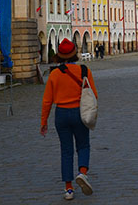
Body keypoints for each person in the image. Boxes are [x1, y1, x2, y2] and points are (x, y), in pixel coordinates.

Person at [41, 38, 99, 200]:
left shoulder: (54, 74)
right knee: (83, 145)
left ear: (59, 55)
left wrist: (43, 121)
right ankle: (82, 173)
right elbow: (93, 95)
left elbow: (47, 101)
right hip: (79, 113)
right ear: (75, 54)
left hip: (61, 114)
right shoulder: (84, 71)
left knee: (66, 151)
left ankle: (68, 189)